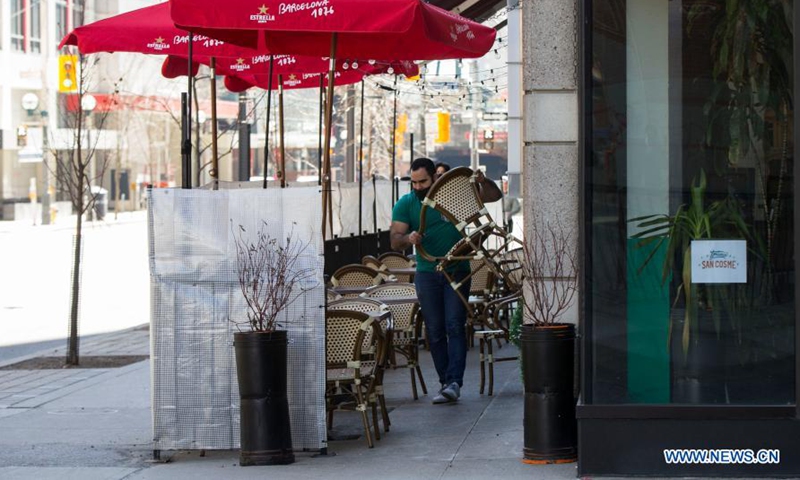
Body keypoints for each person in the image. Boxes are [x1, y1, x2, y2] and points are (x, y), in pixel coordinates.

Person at [390, 157, 501, 404]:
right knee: (435, 330)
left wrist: (484, 181)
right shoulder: (406, 203)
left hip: (457, 269)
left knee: (454, 324)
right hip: (427, 272)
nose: (417, 187)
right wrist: (408, 238)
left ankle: (454, 382)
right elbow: (394, 239)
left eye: (423, 182)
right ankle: (444, 382)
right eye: (414, 182)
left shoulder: (453, 197)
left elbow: (494, 196)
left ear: (435, 178)